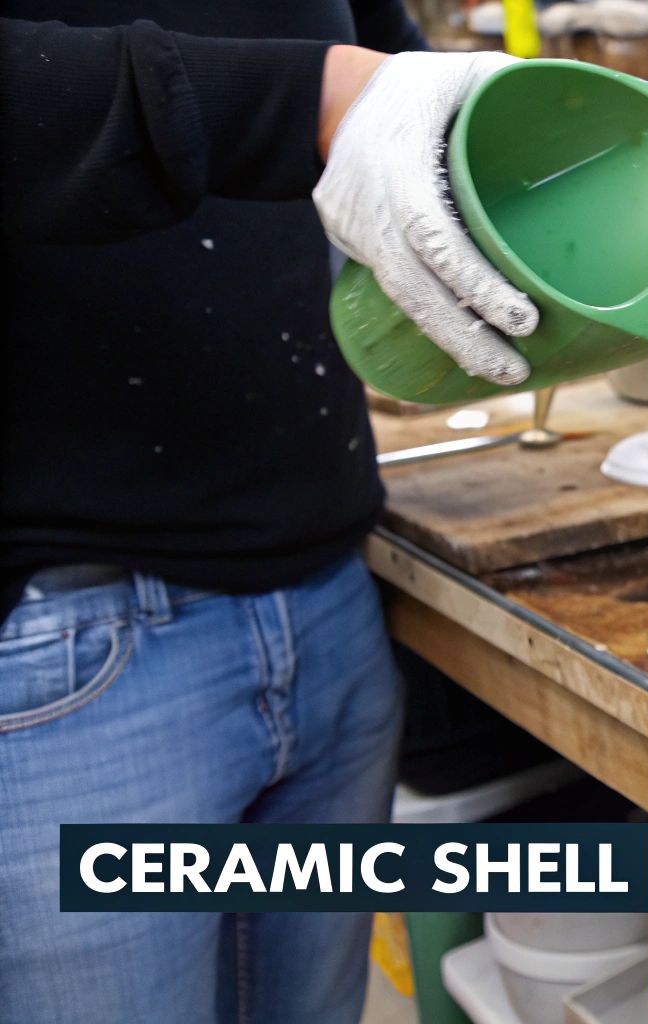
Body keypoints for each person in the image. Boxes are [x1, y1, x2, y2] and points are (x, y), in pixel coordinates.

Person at [0, 3, 541, 1019]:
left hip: (327, 593)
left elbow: (377, 54)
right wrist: (310, 99)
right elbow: (331, 85)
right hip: (61, 639)